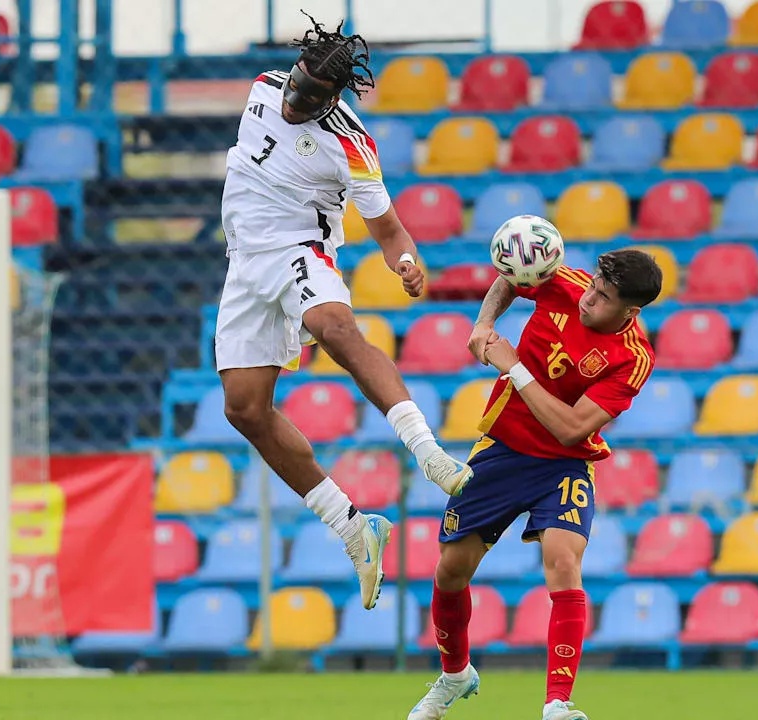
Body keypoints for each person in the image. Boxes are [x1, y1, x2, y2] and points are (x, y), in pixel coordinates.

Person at [215, 12, 473, 613]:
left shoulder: (350, 143)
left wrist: (406, 262)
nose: (295, 101)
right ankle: (354, 525)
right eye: (296, 86)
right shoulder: (263, 86)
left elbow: (388, 230)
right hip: (243, 265)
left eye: (312, 98)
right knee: (243, 409)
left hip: (298, 252)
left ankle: (428, 452)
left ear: (335, 98)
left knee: (334, 328)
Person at [407, 250, 662, 720]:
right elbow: (509, 279)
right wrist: (483, 325)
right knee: (450, 571)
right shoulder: (564, 281)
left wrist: (514, 367)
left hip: (564, 463)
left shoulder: (633, 359)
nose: (588, 299)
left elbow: (571, 429)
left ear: (631, 312)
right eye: (591, 287)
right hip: (502, 449)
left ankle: (557, 704)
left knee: (563, 560)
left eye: (602, 297)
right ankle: (455, 675)